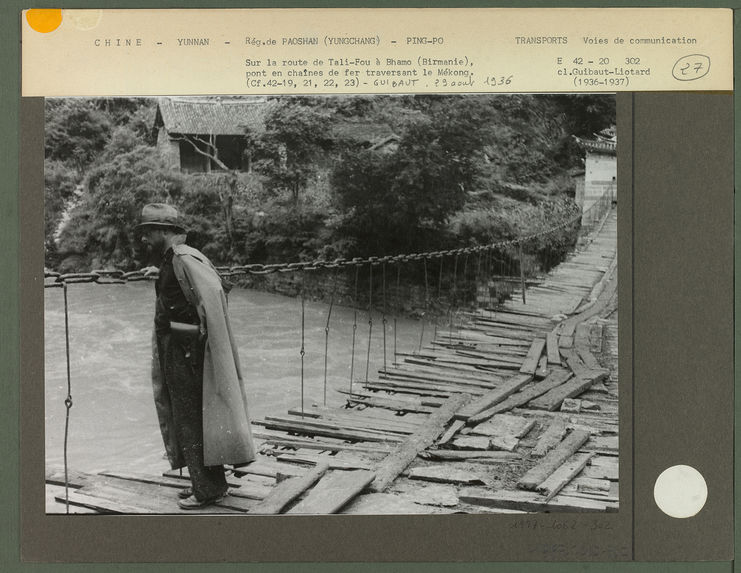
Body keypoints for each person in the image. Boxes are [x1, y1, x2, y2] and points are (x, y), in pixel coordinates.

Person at [137, 203, 255, 510]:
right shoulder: (173, 260)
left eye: (147, 232)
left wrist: (201, 341)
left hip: (185, 351)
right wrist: (159, 275)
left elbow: (213, 293)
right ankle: (209, 484)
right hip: (181, 347)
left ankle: (207, 490)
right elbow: (184, 290)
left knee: (190, 420)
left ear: (164, 231)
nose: (142, 239)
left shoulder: (183, 258)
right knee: (189, 418)